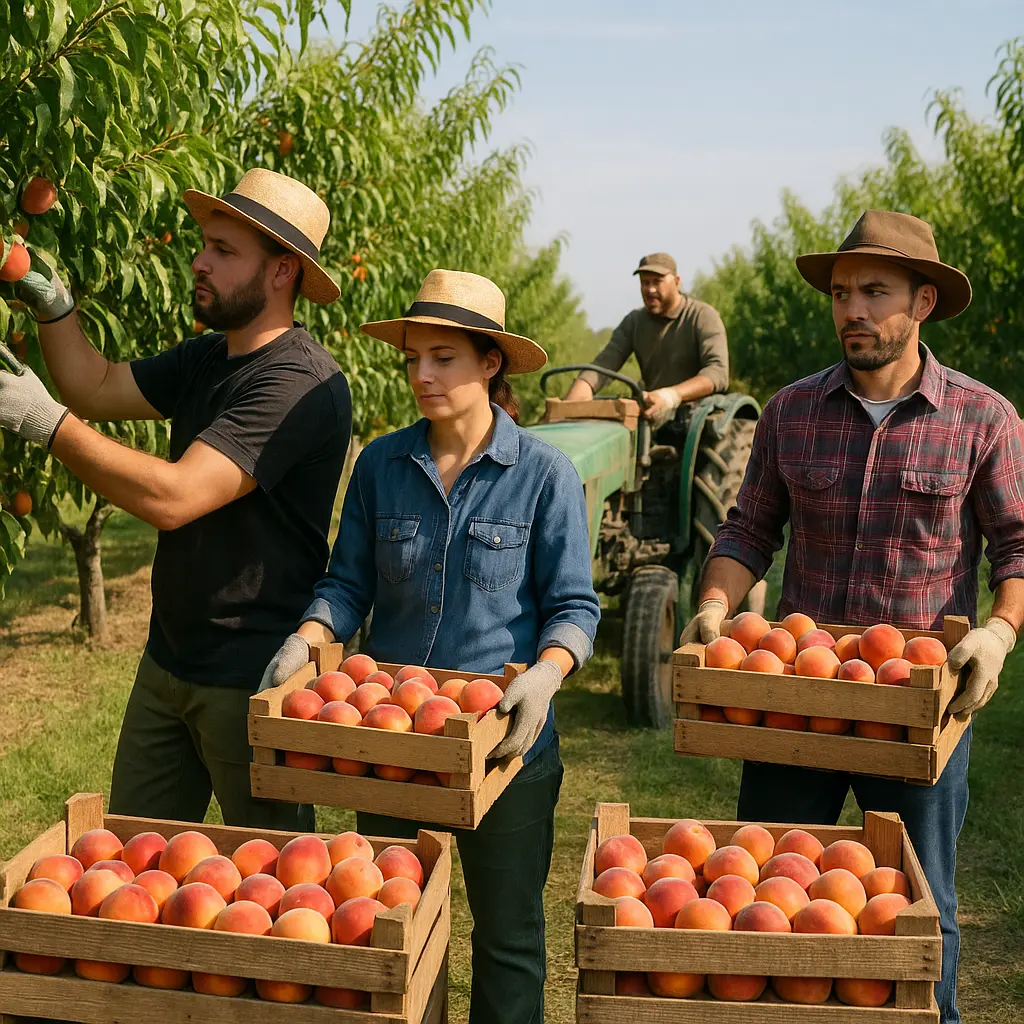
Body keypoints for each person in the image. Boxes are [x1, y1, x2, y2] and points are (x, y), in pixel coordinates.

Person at [681, 210, 1024, 1023]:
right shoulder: (791, 412)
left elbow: (1018, 545)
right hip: (794, 700)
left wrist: (999, 632)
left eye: (875, 291)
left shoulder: (983, 419)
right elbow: (748, 529)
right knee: (763, 891)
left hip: (915, 708)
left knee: (919, 904)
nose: (853, 310)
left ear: (924, 304)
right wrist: (714, 605)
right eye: (842, 293)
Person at [261, 269, 600, 1024]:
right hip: (394, 745)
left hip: (504, 745)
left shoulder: (543, 475)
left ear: (490, 363)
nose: (421, 374)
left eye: (443, 357)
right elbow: (348, 582)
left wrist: (546, 675)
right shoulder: (383, 464)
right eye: (414, 356)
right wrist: (311, 634)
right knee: (398, 932)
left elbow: (575, 605)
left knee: (508, 937)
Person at [0, 169, 351, 831]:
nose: (198, 260)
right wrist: (54, 306)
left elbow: (176, 496)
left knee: (274, 894)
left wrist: (44, 423)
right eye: (204, 244)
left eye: (223, 249)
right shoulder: (207, 358)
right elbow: (97, 385)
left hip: (253, 678)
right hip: (169, 661)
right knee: (137, 871)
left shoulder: (301, 383)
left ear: (281, 272)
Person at [564, 251, 729, 430]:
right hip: (652, 413)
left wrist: (671, 396)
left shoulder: (702, 316)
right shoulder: (634, 322)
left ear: (676, 281)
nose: (650, 289)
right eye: (645, 282)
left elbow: (717, 372)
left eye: (657, 282)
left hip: (697, 416)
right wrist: (572, 403)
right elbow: (605, 364)